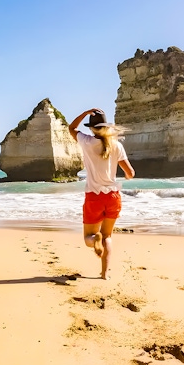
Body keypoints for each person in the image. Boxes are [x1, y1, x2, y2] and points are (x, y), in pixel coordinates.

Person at [69, 108, 135, 280]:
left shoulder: (86, 141)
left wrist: (85, 113)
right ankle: (104, 274)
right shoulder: (116, 145)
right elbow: (130, 173)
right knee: (108, 236)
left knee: (88, 238)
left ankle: (94, 239)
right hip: (113, 196)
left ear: (91, 128)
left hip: (94, 196)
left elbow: (72, 129)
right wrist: (126, 176)